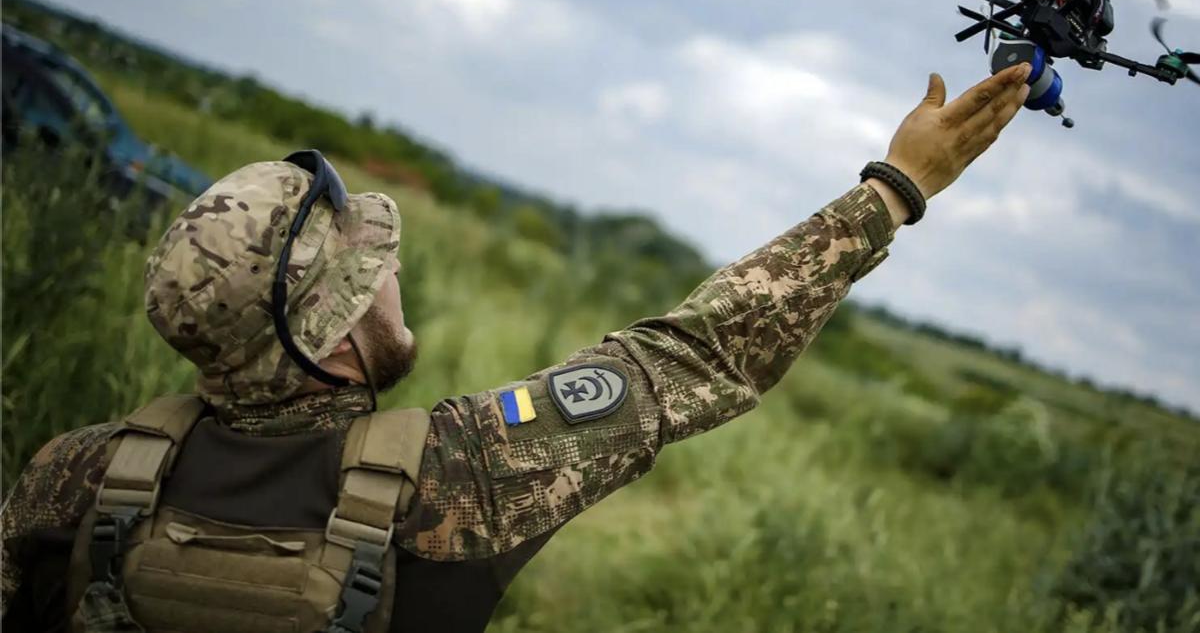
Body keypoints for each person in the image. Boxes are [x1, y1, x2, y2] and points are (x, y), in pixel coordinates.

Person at [1, 65, 1033, 632]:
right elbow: (697, 355)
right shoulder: (458, 481)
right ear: (333, 334)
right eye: (370, 271)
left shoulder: (70, 478)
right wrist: (894, 189)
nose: (394, 274)